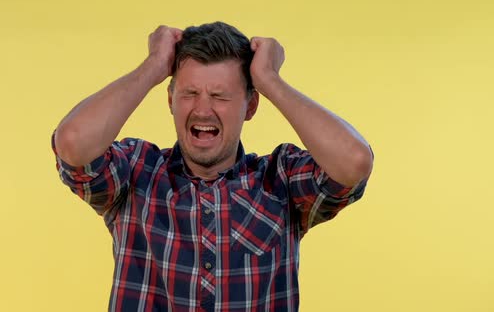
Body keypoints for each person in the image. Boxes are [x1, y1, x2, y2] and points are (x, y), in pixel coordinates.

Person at [51, 21, 374, 312]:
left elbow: (353, 162)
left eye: (220, 96)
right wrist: (152, 67)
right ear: (170, 100)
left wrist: (269, 80)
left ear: (250, 105)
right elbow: (73, 142)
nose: (203, 110)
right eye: (190, 93)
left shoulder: (281, 182)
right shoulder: (136, 173)